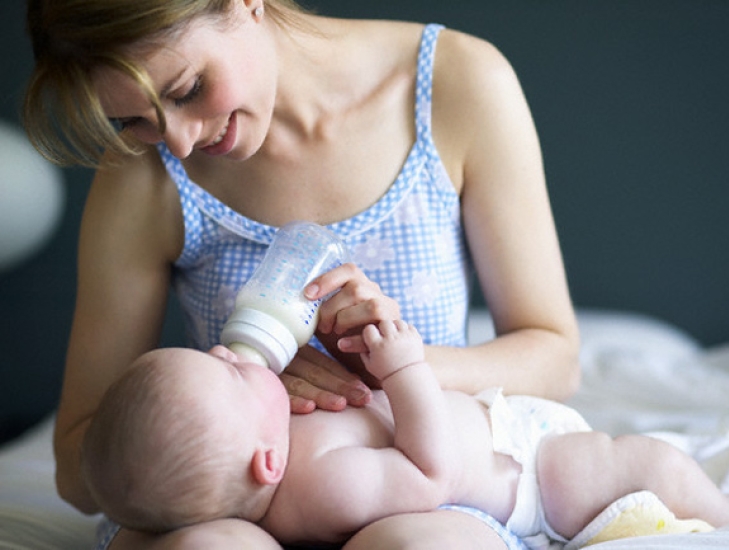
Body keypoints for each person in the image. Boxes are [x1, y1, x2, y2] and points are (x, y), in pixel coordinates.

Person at [24, 1, 581, 549]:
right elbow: (77, 473)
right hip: (234, 512)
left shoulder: (455, 85)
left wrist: (390, 368)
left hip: (416, 491)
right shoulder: (144, 173)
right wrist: (222, 405)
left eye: (187, 89)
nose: (178, 142)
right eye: (134, 120)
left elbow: (556, 359)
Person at [82, 319, 729, 549]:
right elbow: (431, 473)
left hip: (502, 427)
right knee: (642, 461)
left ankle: (726, 500)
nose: (229, 354)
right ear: (266, 462)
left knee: (643, 456)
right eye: (233, 378)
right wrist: (404, 372)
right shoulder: (320, 481)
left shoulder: (270, 460)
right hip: (526, 472)